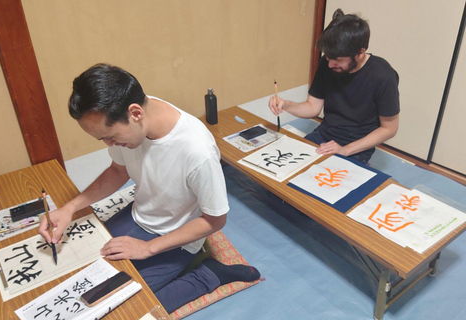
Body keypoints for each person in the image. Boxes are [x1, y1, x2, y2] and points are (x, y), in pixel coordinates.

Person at [39, 63, 260, 313]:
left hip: (176, 238)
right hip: (139, 215)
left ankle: (209, 274)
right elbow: (117, 171)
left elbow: (215, 220)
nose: (110, 144)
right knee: (76, 277)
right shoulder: (132, 111)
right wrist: (69, 209)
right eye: (102, 139)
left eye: (110, 137)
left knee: (126, 307)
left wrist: (147, 248)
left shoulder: (197, 152)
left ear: (135, 114)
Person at [269, 11, 400, 164]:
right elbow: (313, 107)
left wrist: (345, 150)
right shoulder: (328, 62)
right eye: (328, 57)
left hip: (356, 146)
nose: (330, 64)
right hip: (324, 135)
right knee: (277, 175)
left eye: (337, 60)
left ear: (360, 53)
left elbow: (389, 129)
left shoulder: (383, 76)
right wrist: (286, 105)